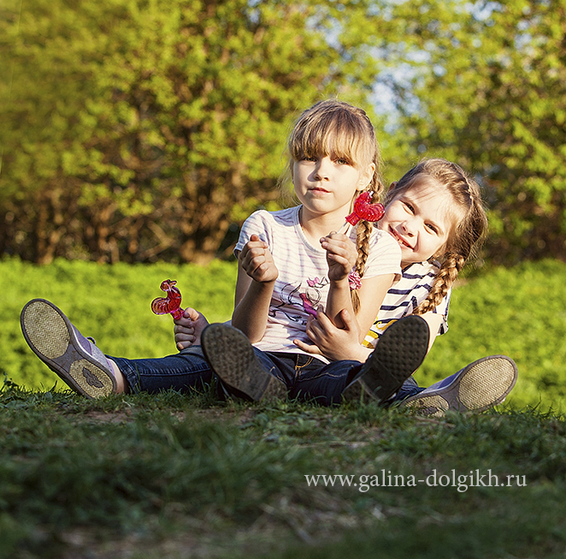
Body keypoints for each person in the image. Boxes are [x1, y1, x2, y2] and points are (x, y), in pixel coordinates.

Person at [21, 100, 427, 404]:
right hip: (259, 356)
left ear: (366, 175)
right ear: (293, 164)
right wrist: (264, 284)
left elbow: (349, 336)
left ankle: (393, 395)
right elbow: (246, 334)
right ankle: (110, 372)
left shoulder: (379, 247)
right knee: (209, 360)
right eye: (308, 157)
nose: (321, 170)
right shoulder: (265, 227)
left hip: (326, 366)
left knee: (349, 377)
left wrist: (340, 279)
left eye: (340, 161)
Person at [197, 157, 518, 413]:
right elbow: (289, 305)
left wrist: (350, 353)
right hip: (306, 361)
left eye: (431, 227)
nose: (409, 227)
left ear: (446, 247)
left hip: (366, 373)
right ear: (390, 193)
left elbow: (409, 353)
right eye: (408, 207)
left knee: (389, 380)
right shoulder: (345, 243)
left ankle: (432, 400)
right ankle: (426, 402)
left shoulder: (431, 284)